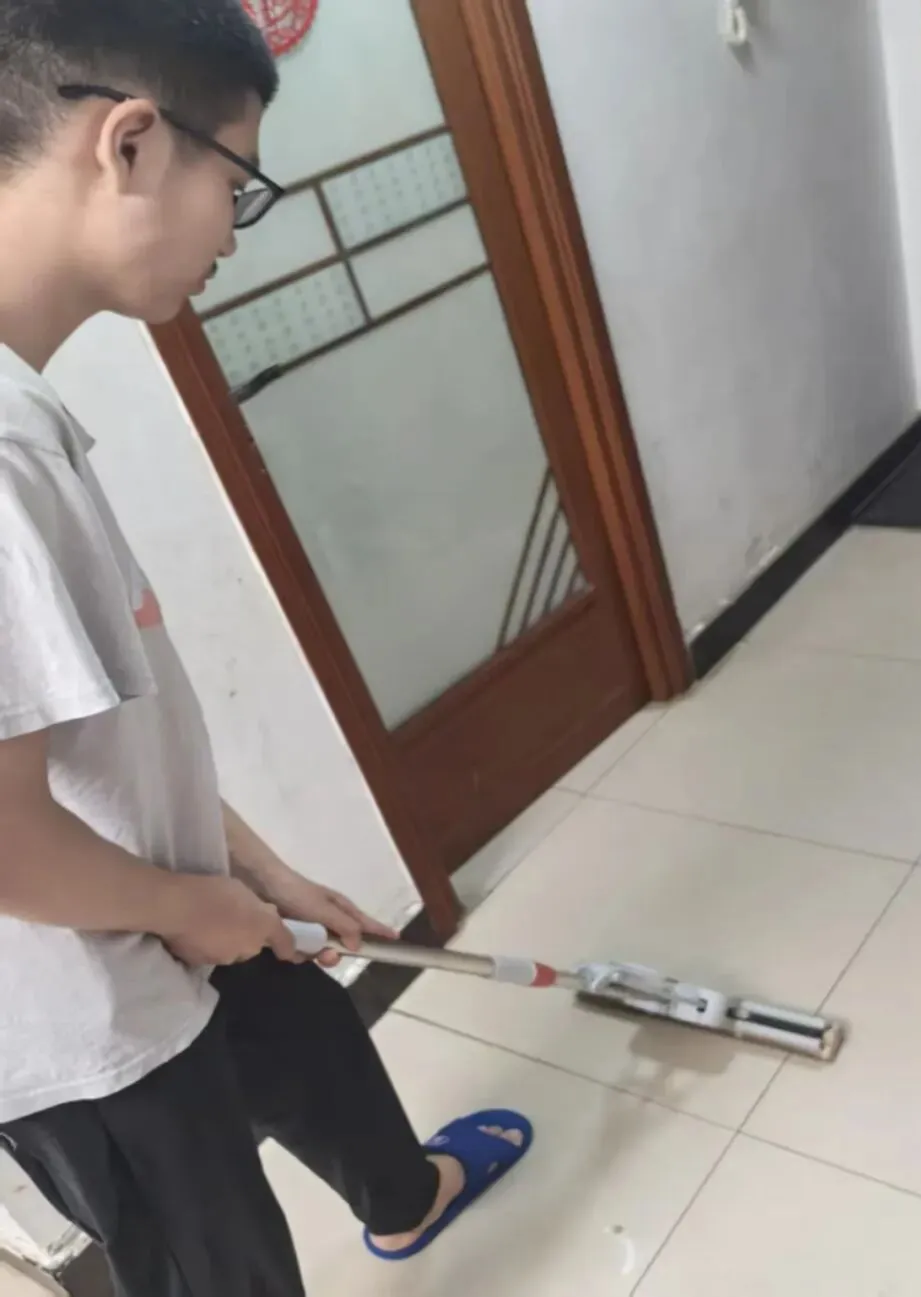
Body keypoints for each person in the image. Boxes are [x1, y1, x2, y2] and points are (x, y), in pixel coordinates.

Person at [0, 2, 532, 1293]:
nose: (235, 232)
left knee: (303, 1028)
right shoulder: (3, 453)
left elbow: (106, 735)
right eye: (237, 184)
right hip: (83, 1022)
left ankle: (404, 1197)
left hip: (152, 898)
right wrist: (201, 909)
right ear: (130, 143)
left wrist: (258, 872)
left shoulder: (27, 410)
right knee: (219, 1265)